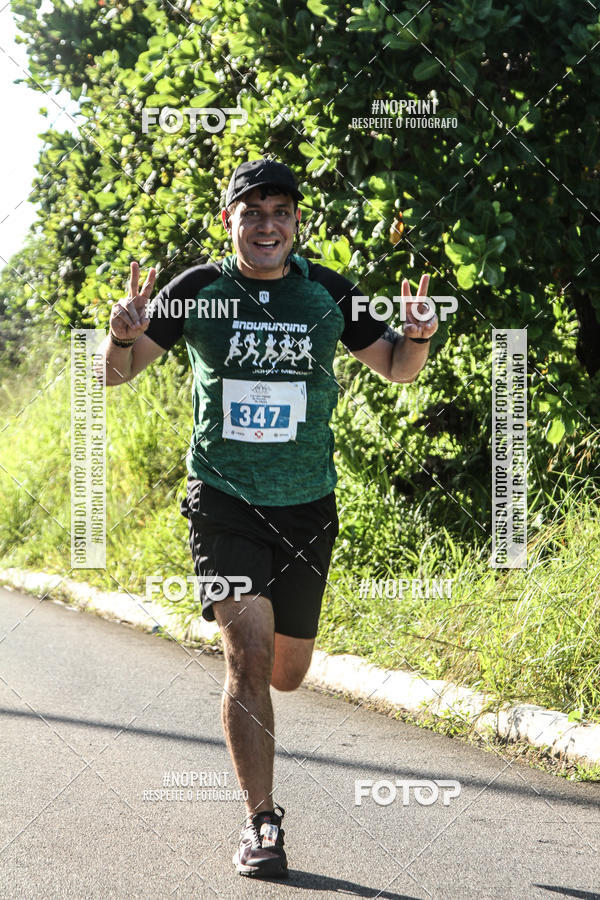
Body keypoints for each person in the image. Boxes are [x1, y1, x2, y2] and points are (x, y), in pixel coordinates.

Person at [99, 158, 438, 879]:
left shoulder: (327, 291)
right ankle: (262, 822)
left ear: (296, 223)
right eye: (251, 212)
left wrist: (418, 335)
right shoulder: (198, 289)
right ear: (229, 220)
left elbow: (397, 366)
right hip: (223, 502)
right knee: (247, 660)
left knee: (287, 672)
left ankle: (269, 728)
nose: (266, 225)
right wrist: (121, 335)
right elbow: (115, 373)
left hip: (307, 505)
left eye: (280, 211)